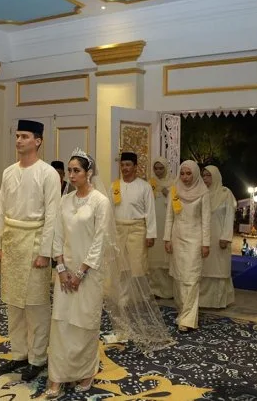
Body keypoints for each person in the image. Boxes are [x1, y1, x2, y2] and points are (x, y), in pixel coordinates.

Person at [45, 149, 173, 399]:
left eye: (76, 170)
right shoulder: (64, 201)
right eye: (69, 170)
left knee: (84, 323)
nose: (71, 175)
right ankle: (57, 375)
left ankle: (85, 371)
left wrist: (80, 273)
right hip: (64, 273)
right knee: (61, 323)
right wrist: (61, 269)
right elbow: (57, 236)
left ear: (88, 173)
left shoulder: (100, 202)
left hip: (89, 274)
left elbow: (99, 241)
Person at [0, 119, 61, 381]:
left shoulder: (48, 174)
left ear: (38, 141)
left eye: (25, 136)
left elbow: (53, 215)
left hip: (34, 245)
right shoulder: (8, 172)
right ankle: (19, 354)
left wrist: (45, 252)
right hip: (11, 243)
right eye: (17, 136)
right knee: (13, 304)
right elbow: (0, 207)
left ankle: (38, 358)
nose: (19, 141)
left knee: (36, 305)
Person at [164, 160, 210, 332]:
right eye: (182, 173)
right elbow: (169, 216)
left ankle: (188, 319)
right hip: (177, 238)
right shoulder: (174, 190)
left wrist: (206, 243)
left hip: (195, 240)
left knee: (191, 278)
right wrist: (166, 239)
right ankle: (182, 312)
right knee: (178, 278)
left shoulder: (203, 192)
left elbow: (206, 220)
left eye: (188, 173)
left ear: (196, 174)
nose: (185, 177)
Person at [109, 152, 156, 283]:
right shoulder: (114, 186)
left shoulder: (145, 186)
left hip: (137, 231)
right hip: (119, 231)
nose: (125, 168)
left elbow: (150, 212)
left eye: (128, 165)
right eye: (122, 165)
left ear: (135, 167)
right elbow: (110, 211)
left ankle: (138, 298)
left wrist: (150, 235)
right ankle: (122, 300)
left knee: (137, 267)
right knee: (121, 268)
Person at [199, 165, 236, 309]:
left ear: (216, 176)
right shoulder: (200, 193)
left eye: (208, 175)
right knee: (204, 268)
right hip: (204, 237)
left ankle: (218, 301)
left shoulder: (225, 193)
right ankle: (202, 301)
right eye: (203, 175)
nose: (205, 179)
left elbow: (229, 216)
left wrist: (225, 237)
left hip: (220, 238)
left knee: (219, 269)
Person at [148, 157, 175, 298]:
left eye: (161, 168)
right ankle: (154, 290)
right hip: (154, 225)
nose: (158, 171)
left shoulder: (173, 183)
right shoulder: (150, 184)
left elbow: (178, 204)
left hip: (167, 224)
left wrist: (168, 194)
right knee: (153, 260)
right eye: (156, 168)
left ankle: (168, 291)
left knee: (167, 259)